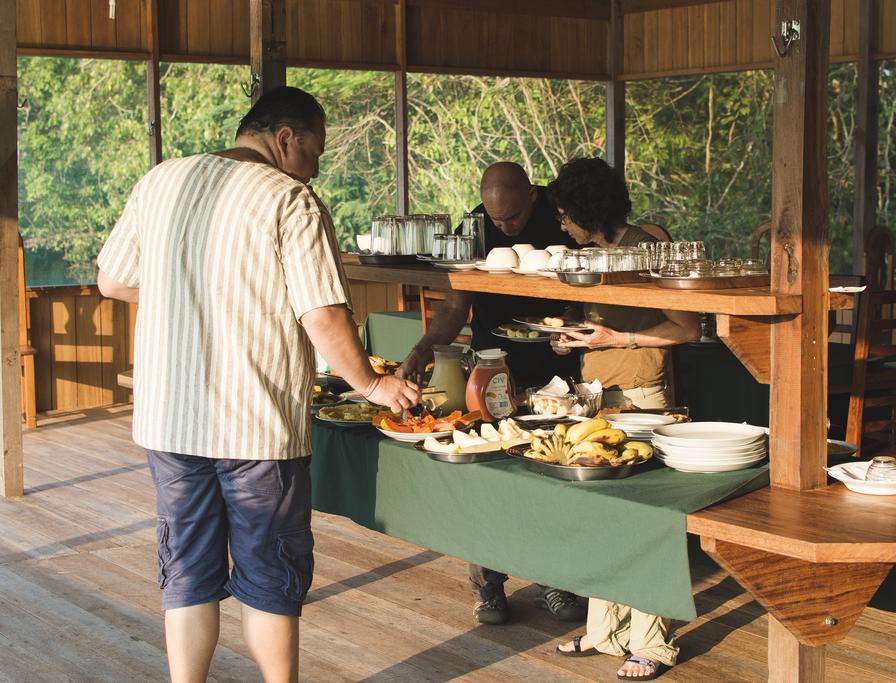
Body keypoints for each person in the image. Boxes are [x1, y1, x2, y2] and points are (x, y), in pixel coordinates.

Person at [97, 86, 419, 683]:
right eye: (316, 152)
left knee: (188, 570)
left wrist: (188, 294)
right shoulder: (288, 198)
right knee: (270, 573)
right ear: (286, 139)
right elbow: (321, 314)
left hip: (169, 418)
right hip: (257, 424)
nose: (317, 167)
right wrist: (371, 386)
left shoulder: (161, 180)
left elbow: (113, 282)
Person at [396, 161, 585, 626]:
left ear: (533, 197)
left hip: (554, 373)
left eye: (514, 218)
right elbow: (456, 304)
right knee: (485, 478)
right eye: (497, 219)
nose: (504, 226)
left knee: (550, 476)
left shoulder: (561, 217)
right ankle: (488, 587)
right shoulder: (474, 225)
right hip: (490, 370)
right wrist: (422, 349)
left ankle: (555, 580)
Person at [547, 157, 700, 681]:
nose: (562, 224)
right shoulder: (587, 256)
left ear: (588, 209)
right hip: (595, 396)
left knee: (646, 519)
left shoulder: (649, 250)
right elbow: (599, 325)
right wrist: (573, 340)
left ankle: (652, 644)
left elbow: (687, 329)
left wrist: (621, 339)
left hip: (642, 397)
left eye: (566, 213)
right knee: (601, 517)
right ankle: (605, 631)